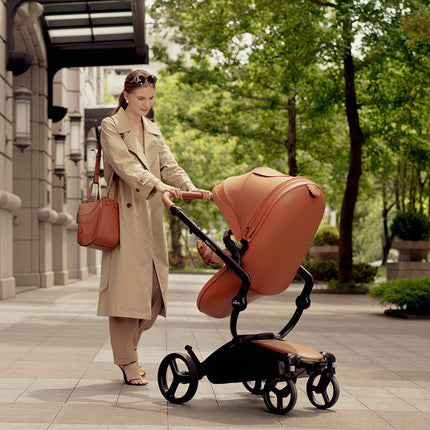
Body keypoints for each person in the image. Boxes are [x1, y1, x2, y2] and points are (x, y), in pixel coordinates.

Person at [97, 69, 211, 386]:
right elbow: (126, 166)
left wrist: (190, 188)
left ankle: (128, 352)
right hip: (126, 217)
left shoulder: (153, 129)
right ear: (127, 96)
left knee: (153, 291)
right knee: (125, 293)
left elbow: (169, 163)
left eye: (150, 98)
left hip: (151, 216)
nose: (146, 104)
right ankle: (128, 361)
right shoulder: (111, 127)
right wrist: (159, 186)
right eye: (141, 98)